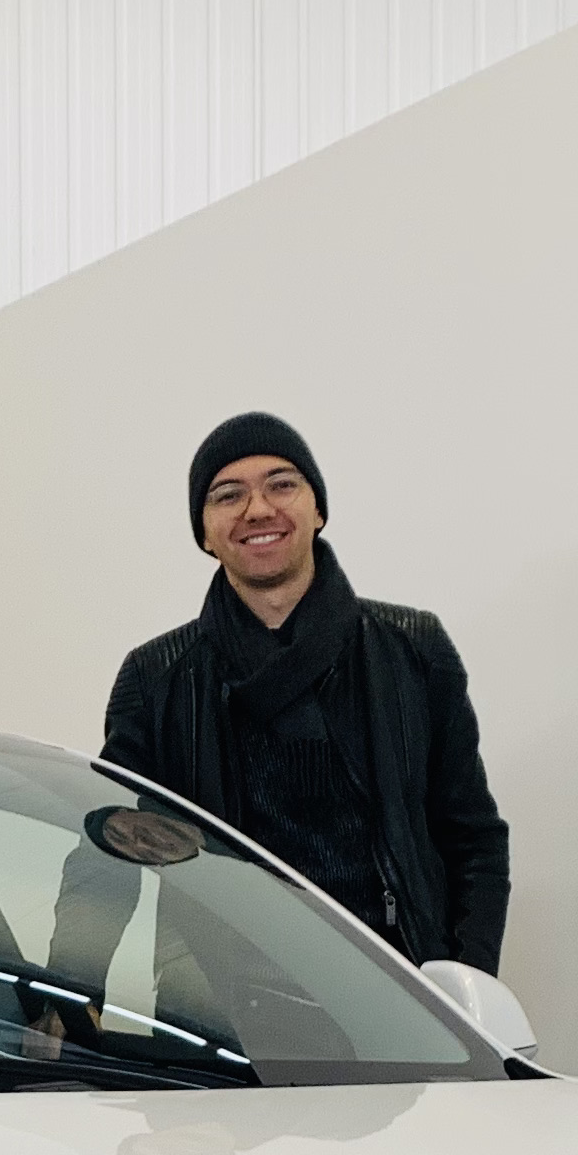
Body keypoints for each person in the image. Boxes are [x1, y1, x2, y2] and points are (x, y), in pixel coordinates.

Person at [100, 411, 510, 972]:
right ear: (203, 534)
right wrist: (55, 1006)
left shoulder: (415, 651)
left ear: (318, 509)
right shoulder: (156, 679)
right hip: (225, 1015)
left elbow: (474, 842)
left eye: (282, 484)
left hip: (406, 999)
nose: (258, 509)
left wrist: (466, 987)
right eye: (227, 495)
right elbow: (112, 860)